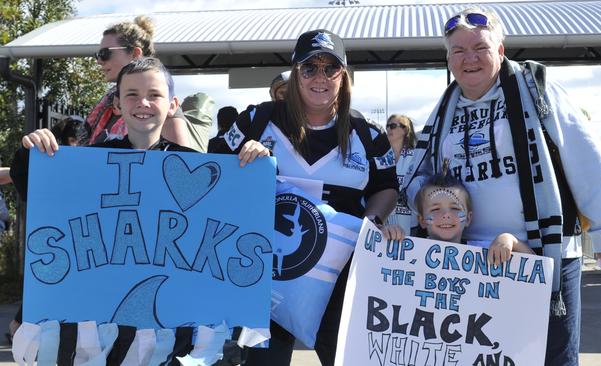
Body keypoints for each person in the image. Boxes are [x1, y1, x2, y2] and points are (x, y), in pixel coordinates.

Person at [402, 8, 601, 366]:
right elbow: (419, 175)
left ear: (501, 50)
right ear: (448, 59)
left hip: (542, 256)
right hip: (473, 261)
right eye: (458, 51)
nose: (470, 58)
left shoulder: (536, 89)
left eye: (480, 47)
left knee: (551, 359)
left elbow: (585, 158)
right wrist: (404, 222)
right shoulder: (443, 110)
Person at [210, 29, 398, 366]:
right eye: (310, 67)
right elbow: (213, 172)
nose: (320, 77)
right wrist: (243, 161)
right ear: (295, 72)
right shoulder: (258, 119)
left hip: (338, 275)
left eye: (331, 68)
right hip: (267, 272)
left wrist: (371, 223)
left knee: (346, 359)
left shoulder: (367, 134)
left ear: (344, 75)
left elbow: (386, 187)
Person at [12, 57, 196, 200]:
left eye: (154, 94)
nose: (143, 103)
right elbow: (34, 188)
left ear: (172, 105)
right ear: (117, 105)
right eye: (132, 94)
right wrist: (31, 153)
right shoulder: (94, 160)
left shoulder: (191, 164)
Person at [79, 16, 189, 147]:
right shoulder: (108, 103)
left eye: (105, 53)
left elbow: (178, 163)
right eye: (131, 95)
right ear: (118, 103)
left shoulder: (163, 110)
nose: (99, 61)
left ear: (135, 54)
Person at [411, 160, 533, 265]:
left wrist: (510, 240)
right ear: (422, 220)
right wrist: (392, 235)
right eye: (435, 209)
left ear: (468, 219)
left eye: (455, 208)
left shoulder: (483, 251)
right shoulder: (409, 253)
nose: (446, 215)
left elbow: (536, 267)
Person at [384, 114, 418, 235]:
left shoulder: (416, 157)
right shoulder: (380, 156)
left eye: (392, 126)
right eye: (387, 126)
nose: (388, 129)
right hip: (385, 223)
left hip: (411, 223)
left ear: (405, 129)